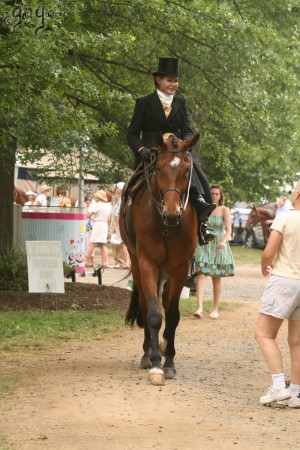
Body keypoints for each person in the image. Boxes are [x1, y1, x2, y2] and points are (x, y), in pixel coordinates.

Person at [127, 57, 216, 245]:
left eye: (176, 81)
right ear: (158, 80)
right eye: (169, 80)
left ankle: (203, 220)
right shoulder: (143, 103)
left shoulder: (181, 102)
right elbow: (132, 134)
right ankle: (127, 216)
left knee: (194, 171)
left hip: (176, 150)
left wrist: (186, 142)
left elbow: (187, 128)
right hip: (152, 152)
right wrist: (141, 148)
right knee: (131, 187)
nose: (173, 84)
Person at [254, 181, 300, 407]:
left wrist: (265, 264)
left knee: (264, 334)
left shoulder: (286, 217)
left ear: (298, 194)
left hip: (284, 280)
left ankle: (279, 386)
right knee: (297, 342)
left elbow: (269, 251)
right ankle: (296, 393)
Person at [193, 184, 234, 319]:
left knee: (216, 278)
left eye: (217, 194)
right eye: (212, 194)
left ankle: (215, 309)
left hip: (218, 245)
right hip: (204, 244)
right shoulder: (204, 208)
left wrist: (224, 241)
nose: (214, 196)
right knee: (201, 275)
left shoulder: (224, 210)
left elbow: (228, 230)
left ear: (221, 195)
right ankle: (199, 308)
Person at [85, 190, 112, 268]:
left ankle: (87, 261)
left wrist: (88, 212)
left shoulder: (98, 205)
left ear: (98, 197)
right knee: (102, 244)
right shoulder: (108, 205)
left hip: (98, 224)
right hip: (104, 224)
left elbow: (89, 215)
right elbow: (108, 219)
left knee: (91, 244)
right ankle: (105, 262)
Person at [111, 182, 131, 269]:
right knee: (124, 243)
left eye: (116, 188)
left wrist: (115, 225)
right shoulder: (124, 198)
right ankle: (126, 262)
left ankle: (126, 263)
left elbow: (119, 213)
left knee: (123, 243)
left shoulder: (121, 199)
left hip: (120, 223)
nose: (115, 190)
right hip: (122, 222)